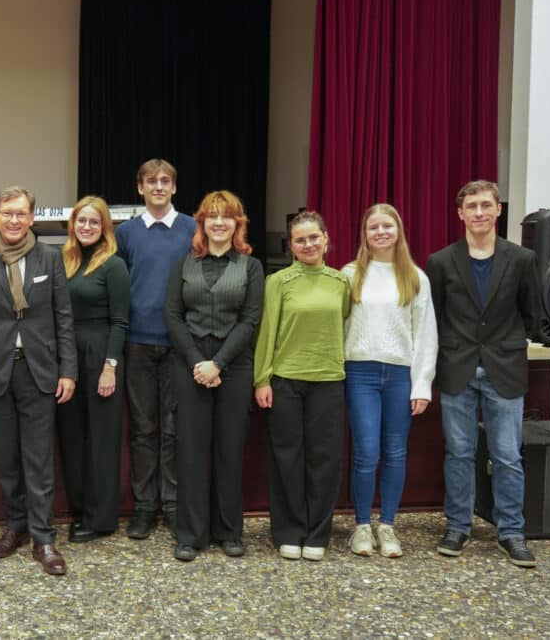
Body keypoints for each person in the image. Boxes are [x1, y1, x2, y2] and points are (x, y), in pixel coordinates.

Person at [0, 186, 77, 575]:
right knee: (7, 459)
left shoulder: (50, 258)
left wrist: (68, 369)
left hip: (40, 370)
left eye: (21, 214)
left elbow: (63, 317)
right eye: (7, 213)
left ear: (31, 218)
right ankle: (16, 527)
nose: (14, 220)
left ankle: (43, 537)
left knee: (39, 459)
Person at [426, 180, 542, 568]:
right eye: (471, 206)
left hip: (504, 368)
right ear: (460, 213)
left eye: (485, 206)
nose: (479, 212)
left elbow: (532, 314)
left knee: (507, 455)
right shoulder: (440, 262)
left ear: (498, 211)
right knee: (459, 452)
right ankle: (458, 526)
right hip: (457, 368)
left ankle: (511, 532)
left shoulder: (522, 259)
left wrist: (506, 343)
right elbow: (436, 316)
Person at [165, 191, 263, 562]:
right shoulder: (185, 262)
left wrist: (217, 363)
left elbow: (250, 320)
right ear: (202, 223)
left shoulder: (251, 267)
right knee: (190, 450)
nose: (219, 223)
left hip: (233, 365)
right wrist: (197, 362)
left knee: (229, 448)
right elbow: (172, 315)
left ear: (238, 223)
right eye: (212, 217)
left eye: (227, 217)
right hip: (189, 363)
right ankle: (190, 535)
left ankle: (229, 531)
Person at [342, 204, 437, 558]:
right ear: (364, 235)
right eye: (373, 227)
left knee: (396, 452)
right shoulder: (350, 274)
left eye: (387, 226)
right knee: (367, 452)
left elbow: (426, 334)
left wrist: (422, 383)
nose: (381, 232)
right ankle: (362, 526)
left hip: (399, 374)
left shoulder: (415, 276)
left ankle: (388, 526)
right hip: (360, 372)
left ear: (398, 231)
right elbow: (339, 327)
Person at [254, 210, 349, 561]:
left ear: (325, 239)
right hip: (286, 381)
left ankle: (317, 533)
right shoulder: (278, 282)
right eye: (300, 240)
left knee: (324, 460)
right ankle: (288, 531)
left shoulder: (341, 283)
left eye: (313, 237)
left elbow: (344, 327)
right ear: (291, 246)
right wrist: (262, 378)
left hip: (328, 381)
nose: (308, 244)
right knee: (286, 459)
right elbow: (267, 333)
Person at [114, 158, 197, 539]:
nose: (159, 187)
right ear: (140, 188)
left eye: (166, 181)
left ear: (175, 188)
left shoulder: (192, 229)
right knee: (144, 430)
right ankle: (145, 506)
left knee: (174, 429)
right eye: (152, 181)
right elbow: (118, 284)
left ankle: (175, 505)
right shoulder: (127, 232)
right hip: (138, 343)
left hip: (180, 345)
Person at [57, 196, 129, 543]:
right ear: (73, 225)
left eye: (94, 222)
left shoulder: (113, 265)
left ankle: (102, 519)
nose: (87, 227)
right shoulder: (64, 260)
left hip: (101, 354)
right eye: (81, 221)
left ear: (105, 228)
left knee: (101, 439)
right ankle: (80, 510)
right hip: (68, 356)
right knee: (73, 437)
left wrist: (110, 367)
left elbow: (120, 320)